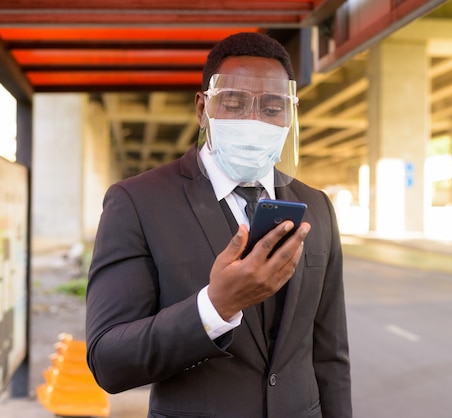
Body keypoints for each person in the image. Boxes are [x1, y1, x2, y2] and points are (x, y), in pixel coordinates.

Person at [85, 32, 352, 418]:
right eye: (234, 103)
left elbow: (330, 357)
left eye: (273, 107)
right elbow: (108, 359)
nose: (254, 120)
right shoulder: (138, 202)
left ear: (290, 115)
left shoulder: (316, 206)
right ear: (202, 109)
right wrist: (215, 307)